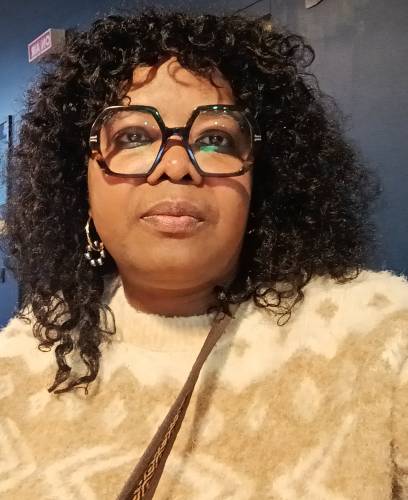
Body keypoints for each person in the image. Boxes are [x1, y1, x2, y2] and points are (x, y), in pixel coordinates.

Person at [1, 8, 408, 500]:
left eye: (215, 139)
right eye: (133, 136)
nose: (177, 165)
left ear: (262, 180)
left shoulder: (383, 338)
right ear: (78, 181)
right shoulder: (23, 353)